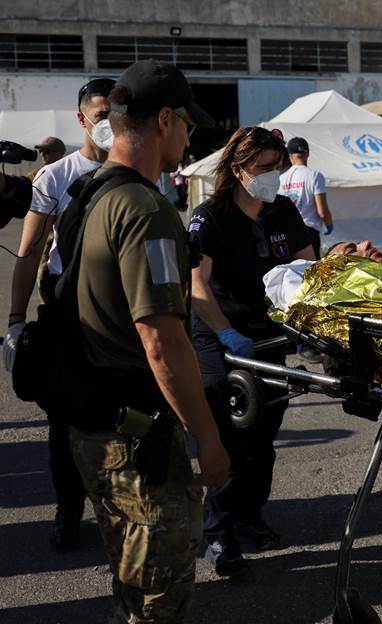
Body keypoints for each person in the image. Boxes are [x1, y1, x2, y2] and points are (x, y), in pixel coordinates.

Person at [67, 59, 229, 623]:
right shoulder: (144, 209)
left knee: (130, 581)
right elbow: (161, 341)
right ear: (165, 120)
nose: (189, 137)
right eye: (187, 124)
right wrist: (208, 439)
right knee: (158, 597)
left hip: (97, 425)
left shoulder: (91, 192)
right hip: (136, 440)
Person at [189, 126, 319, 576]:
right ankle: (217, 532)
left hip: (269, 336)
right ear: (238, 169)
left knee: (263, 439)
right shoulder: (210, 218)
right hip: (220, 336)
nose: (273, 176)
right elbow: (197, 287)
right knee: (230, 437)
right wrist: (226, 332)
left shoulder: (282, 211)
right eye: (263, 169)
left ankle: (249, 516)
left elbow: (309, 270)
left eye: (277, 167)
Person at [3, 77, 114, 550]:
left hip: (121, 317)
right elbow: (28, 254)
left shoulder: (140, 172)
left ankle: (118, 511)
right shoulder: (56, 176)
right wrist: (14, 321)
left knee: (124, 419)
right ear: (82, 118)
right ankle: (68, 511)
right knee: (64, 424)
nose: (108, 122)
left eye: (116, 113)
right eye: (100, 113)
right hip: (67, 315)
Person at [278, 136, 332, 260]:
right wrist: (329, 224)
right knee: (311, 272)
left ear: (290, 155)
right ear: (307, 154)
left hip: (288, 231)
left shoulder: (281, 178)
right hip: (308, 231)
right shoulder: (314, 176)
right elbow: (322, 211)